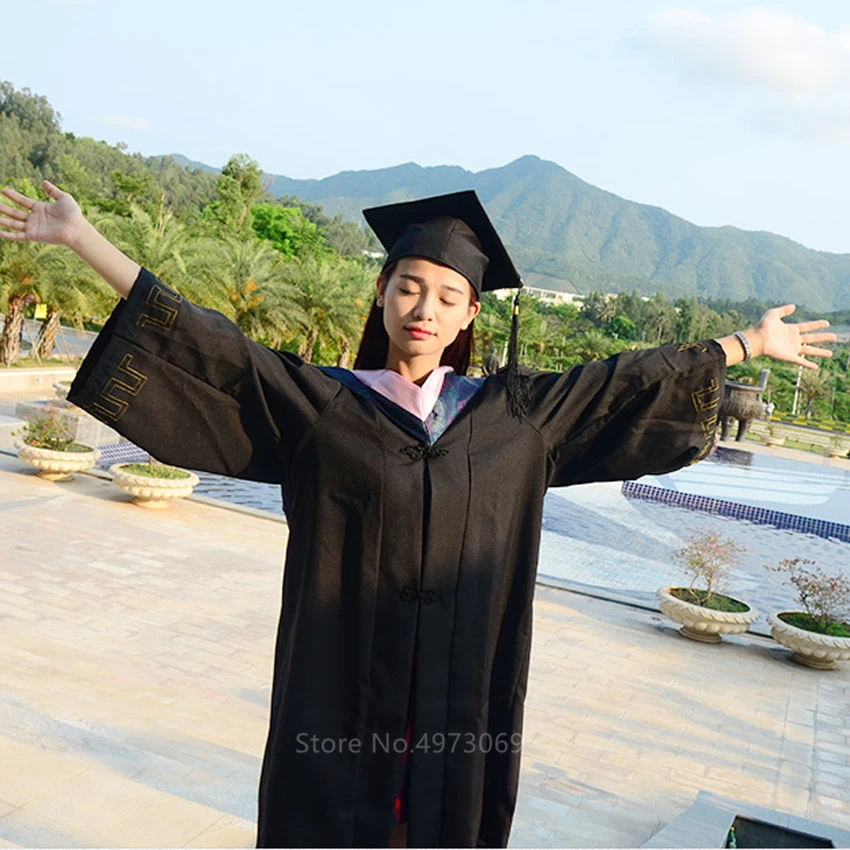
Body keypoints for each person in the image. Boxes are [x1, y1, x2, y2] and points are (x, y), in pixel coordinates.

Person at [0, 181, 837, 849]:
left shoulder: (518, 418)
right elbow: (212, 347)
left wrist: (744, 345)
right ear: (382, 292)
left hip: (455, 708)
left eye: (446, 295)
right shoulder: (325, 405)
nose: (424, 308)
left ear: (471, 315)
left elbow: (623, 379)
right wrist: (83, 239)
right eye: (408, 286)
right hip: (340, 698)